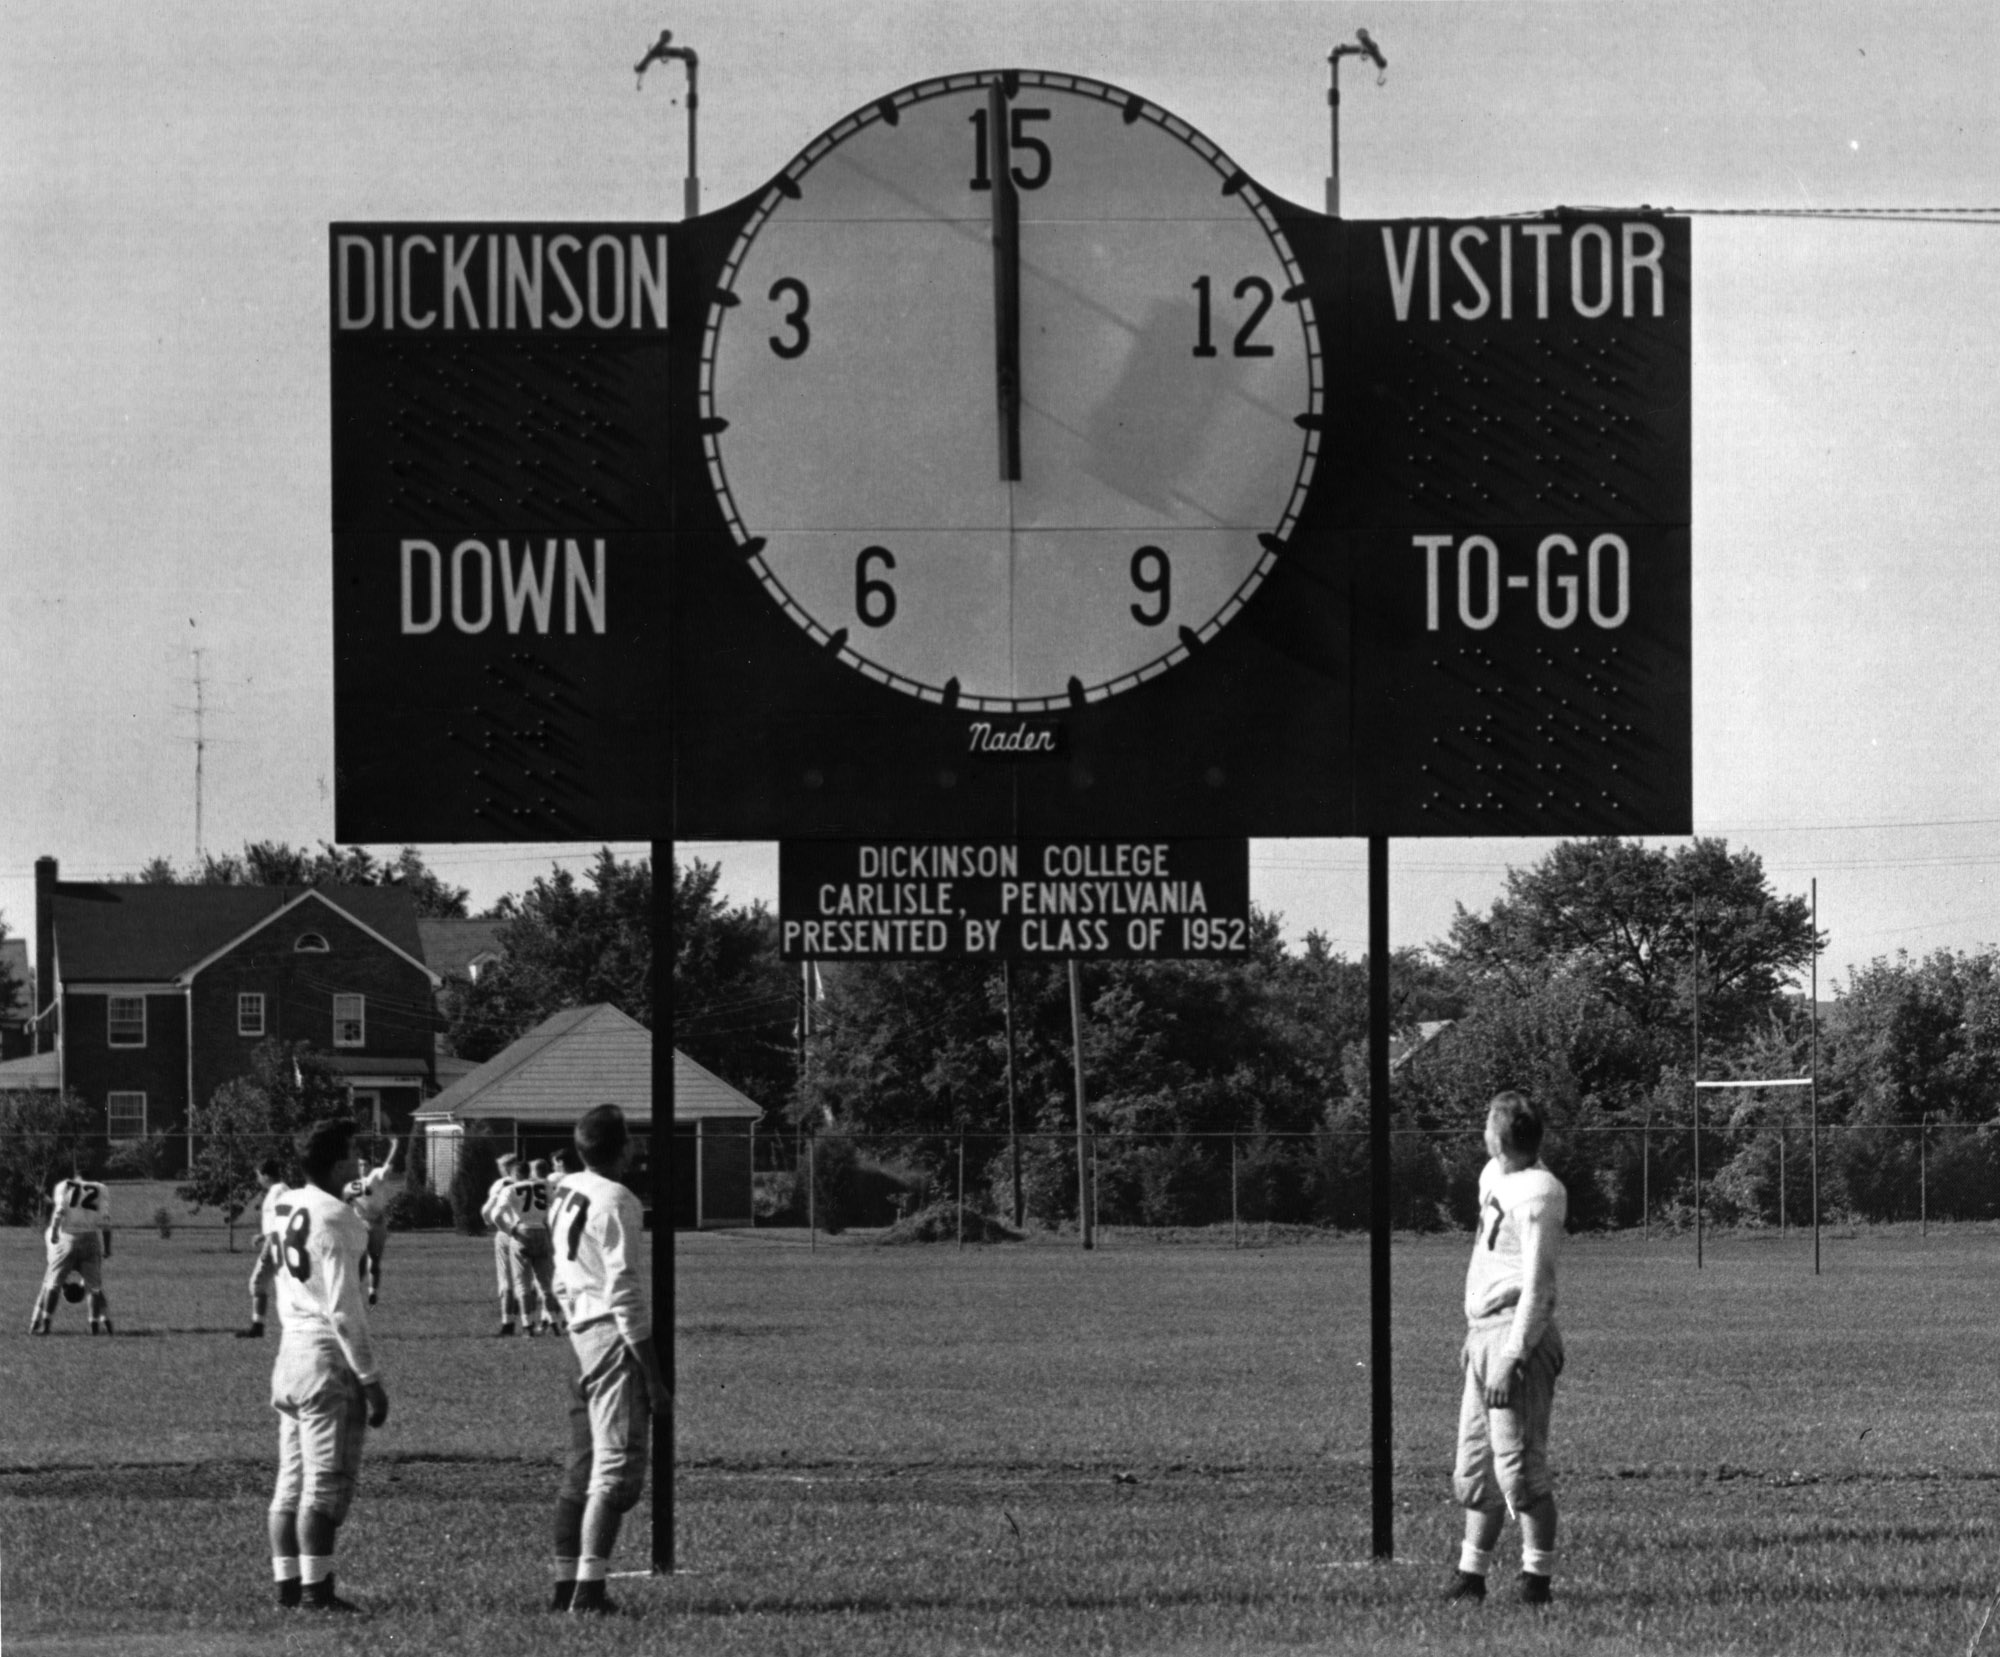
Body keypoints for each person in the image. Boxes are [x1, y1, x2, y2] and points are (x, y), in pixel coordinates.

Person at [546, 1104, 670, 1615]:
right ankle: (590, 1591)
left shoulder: (566, 1189)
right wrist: (653, 1375)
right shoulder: (617, 1198)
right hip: (609, 1335)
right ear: (623, 1147)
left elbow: (559, 1274)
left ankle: (565, 1584)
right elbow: (624, 1293)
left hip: (578, 1331)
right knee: (615, 1467)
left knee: (583, 1463)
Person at [1446, 1089, 1568, 1608]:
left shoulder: (1540, 1192)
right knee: (1475, 1469)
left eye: (1488, 1125)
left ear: (1497, 1137)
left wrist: (1512, 1355)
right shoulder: (1494, 1175)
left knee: (1517, 1470)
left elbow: (1539, 1287)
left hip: (1517, 1334)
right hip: (1484, 1332)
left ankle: (1536, 1582)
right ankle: (1470, 1576)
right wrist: (1476, 1337)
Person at [267, 1117, 390, 1612]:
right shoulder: (337, 1216)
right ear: (338, 1164)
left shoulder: (284, 1204)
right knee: (324, 1485)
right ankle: (316, 1592)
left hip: (289, 1351)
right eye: (353, 1155)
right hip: (324, 1357)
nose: (358, 1163)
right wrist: (371, 1379)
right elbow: (343, 1310)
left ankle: (287, 1584)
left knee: (290, 1483)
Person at [29, 1167, 114, 1335]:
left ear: (76, 1176)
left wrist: (55, 1232)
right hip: (91, 1238)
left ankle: (45, 1325)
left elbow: (59, 1211)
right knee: (95, 1288)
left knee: (52, 1284)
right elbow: (106, 1222)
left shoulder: (65, 1185)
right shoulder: (101, 1188)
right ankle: (95, 1327)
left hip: (67, 1237)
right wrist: (107, 1247)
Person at [238, 1158, 293, 1338]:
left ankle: (258, 1327)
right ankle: (259, 1326)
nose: (258, 1180)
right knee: (282, 1285)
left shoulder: (278, 1191)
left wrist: (269, 1241)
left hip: (276, 1243)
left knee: (257, 1283)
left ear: (266, 1175)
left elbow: (284, 1219)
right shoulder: (279, 1190)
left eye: (258, 1175)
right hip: (276, 1241)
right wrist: (263, 1235)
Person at [343, 1137, 402, 1306]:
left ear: (370, 1166)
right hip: (361, 1224)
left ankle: (372, 1292)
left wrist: (395, 1146)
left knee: (374, 1260)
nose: (362, 1168)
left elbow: (387, 1166)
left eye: (365, 1165)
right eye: (360, 1165)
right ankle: (353, 1292)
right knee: (360, 1260)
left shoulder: (376, 1176)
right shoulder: (351, 1184)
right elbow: (344, 1201)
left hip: (377, 1224)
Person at [513, 1158, 564, 1337]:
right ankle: (556, 1318)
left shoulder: (545, 1182)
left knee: (532, 1282)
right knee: (552, 1281)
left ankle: (538, 1321)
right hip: (554, 1234)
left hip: (537, 1231)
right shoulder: (559, 1181)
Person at [481, 1153, 526, 1336]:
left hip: (506, 1232)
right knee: (528, 1280)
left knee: (506, 1278)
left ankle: (508, 1323)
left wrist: (489, 1223)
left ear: (506, 1168)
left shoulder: (501, 1185)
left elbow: (488, 1211)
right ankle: (534, 1322)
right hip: (529, 1231)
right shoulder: (532, 1183)